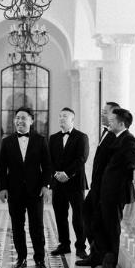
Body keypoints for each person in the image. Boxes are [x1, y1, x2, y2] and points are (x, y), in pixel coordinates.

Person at [87, 107, 135, 268]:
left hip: (115, 193)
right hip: (106, 191)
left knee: (111, 230)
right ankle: (105, 264)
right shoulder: (117, 137)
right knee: (99, 225)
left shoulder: (128, 139)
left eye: (112, 120)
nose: (109, 122)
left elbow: (133, 154)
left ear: (121, 123)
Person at [0, 105, 53, 268]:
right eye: (17, 118)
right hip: (14, 191)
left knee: (36, 227)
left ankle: (40, 260)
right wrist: (2, 188)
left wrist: (46, 185)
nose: (19, 121)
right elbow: (2, 167)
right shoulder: (7, 141)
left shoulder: (40, 140)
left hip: (35, 190)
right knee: (17, 226)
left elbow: (47, 166)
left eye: (23, 118)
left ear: (31, 120)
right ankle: (21, 258)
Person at [77, 100, 120, 268]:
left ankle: (100, 257)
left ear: (114, 115)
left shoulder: (117, 135)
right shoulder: (107, 133)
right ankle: (95, 254)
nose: (102, 114)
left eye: (106, 112)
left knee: (97, 221)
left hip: (105, 188)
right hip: (97, 186)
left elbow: (129, 152)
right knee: (89, 216)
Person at [48, 107, 89, 258]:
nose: (61, 118)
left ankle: (81, 247)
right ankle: (64, 245)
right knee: (60, 215)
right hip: (58, 183)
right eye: (60, 116)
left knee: (78, 216)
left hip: (75, 183)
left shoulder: (81, 137)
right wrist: (55, 174)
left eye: (65, 116)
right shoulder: (53, 138)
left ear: (72, 119)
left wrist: (67, 173)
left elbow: (82, 158)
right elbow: (49, 160)